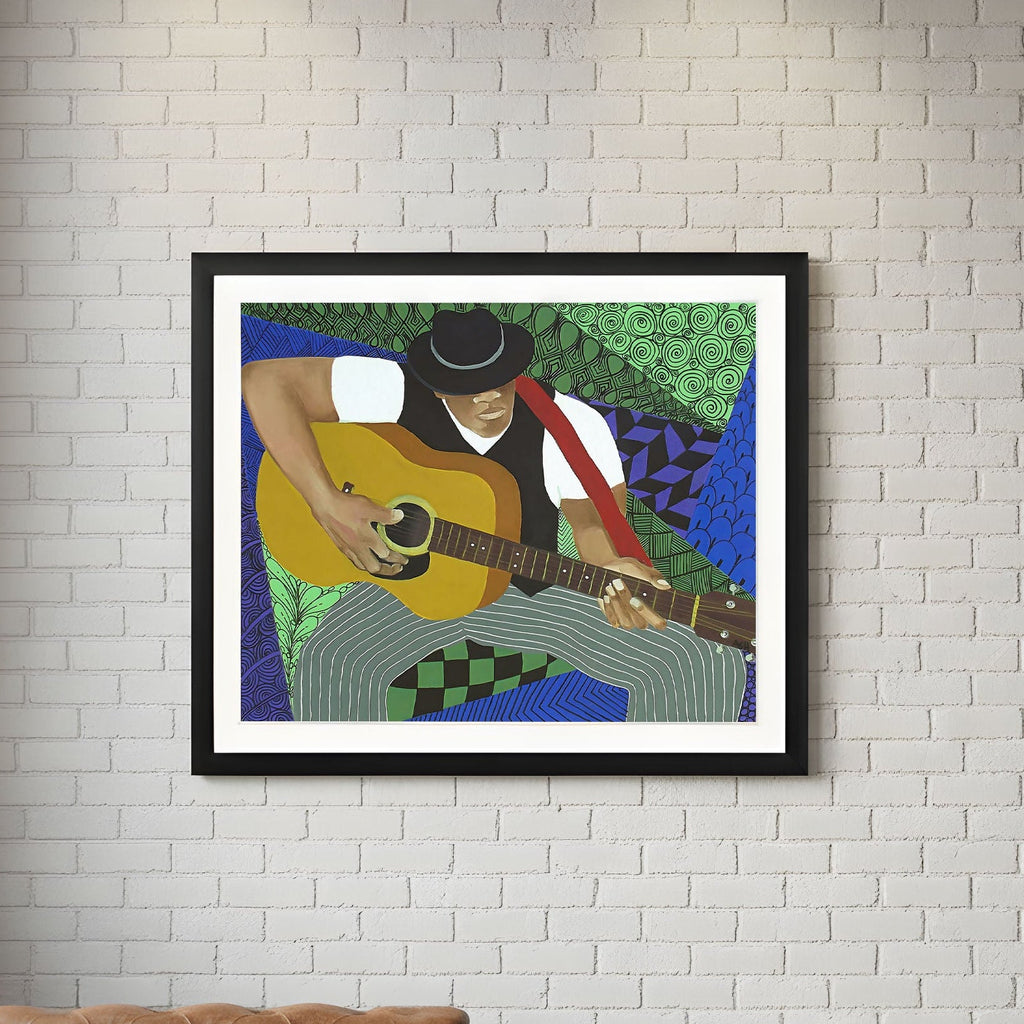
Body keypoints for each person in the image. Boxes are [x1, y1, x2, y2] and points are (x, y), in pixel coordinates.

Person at [242, 307, 746, 723]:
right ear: (437, 387)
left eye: (499, 381)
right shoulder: (392, 388)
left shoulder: (571, 425)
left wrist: (609, 569)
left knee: (699, 660)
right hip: (405, 587)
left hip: (527, 590)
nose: (488, 397)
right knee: (329, 660)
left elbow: (592, 525)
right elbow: (261, 380)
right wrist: (327, 501)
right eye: (468, 386)